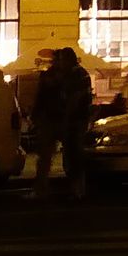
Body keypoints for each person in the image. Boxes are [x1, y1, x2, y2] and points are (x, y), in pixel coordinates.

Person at [29, 46, 94, 201]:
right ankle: (47, 189)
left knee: (72, 154)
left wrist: (66, 118)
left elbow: (75, 100)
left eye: (60, 60)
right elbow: (43, 96)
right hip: (58, 119)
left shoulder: (77, 74)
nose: (57, 63)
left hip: (72, 120)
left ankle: (76, 189)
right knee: (52, 155)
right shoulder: (57, 74)